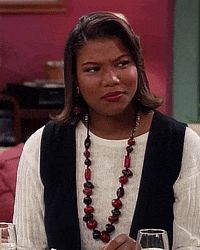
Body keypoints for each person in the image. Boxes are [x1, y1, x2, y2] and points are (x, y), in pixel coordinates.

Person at [13, 11, 200, 250]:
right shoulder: (42, 146)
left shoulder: (183, 145)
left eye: (122, 63)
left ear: (138, 67)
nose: (111, 79)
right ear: (75, 80)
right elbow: (25, 246)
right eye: (92, 69)